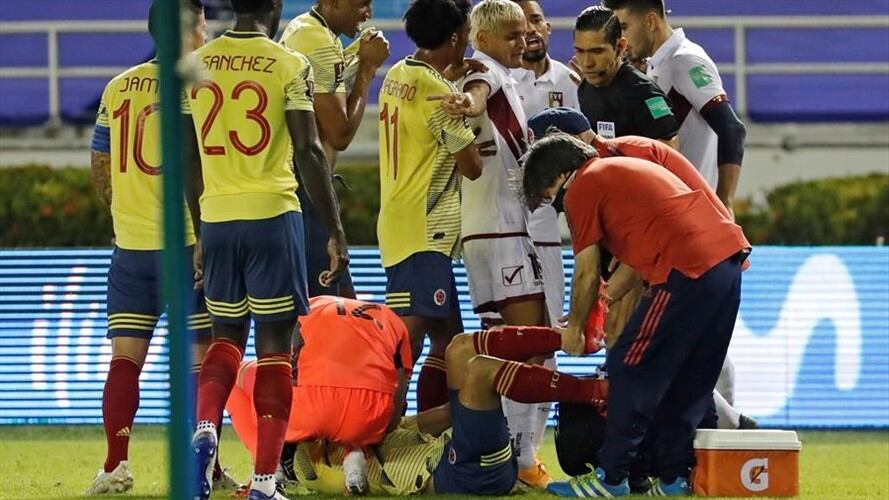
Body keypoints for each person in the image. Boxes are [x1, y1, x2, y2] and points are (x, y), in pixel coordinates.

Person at [182, 0, 349, 498]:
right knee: (275, 350)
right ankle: (262, 483)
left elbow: (188, 154)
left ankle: (206, 427)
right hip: (273, 215)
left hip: (217, 218)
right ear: (274, 6)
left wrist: (200, 226)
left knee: (224, 339)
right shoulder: (288, 62)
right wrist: (334, 228)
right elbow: (309, 150)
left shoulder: (195, 65)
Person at [521, 133, 750, 497]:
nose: (561, 209)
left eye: (553, 200)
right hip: (727, 262)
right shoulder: (623, 173)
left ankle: (611, 478)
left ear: (562, 176)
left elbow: (586, 270)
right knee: (689, 377)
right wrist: (597, 308)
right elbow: (633, 264)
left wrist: (575, 329)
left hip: (687, 267)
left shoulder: (583, 186)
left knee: (628, 366)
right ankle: (674, 478)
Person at [85, 1, 237, 494]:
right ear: (187, 30)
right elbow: (204, 165)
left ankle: (115, 466)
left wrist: (123, 212)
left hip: (131, 246)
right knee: (199, 362)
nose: (207, 35)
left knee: (125, 359)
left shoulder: (118, 87)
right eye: (204, 26)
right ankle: (209, 468)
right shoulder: (198, 85)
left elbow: (100, 163)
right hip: (188, 244)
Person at [228, 326, 609, 496]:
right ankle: (595, 392)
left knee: (460, 347)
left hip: (462, 454)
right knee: (480, 371)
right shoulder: (312, 463)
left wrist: (484, 401)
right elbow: (246, 378)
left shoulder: (365, 432)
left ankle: (571, 336)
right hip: (463, 474)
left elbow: (443, 415)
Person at [376, 0, 482, 414]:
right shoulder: (441, 96)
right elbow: (472, 167)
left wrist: (451, 79)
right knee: (407, 343)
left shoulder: (398, 74)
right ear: (455, 36)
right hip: (423, 229)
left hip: (401, 221)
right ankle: (378, 435)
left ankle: (434, 433)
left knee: (450, 341)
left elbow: (422, 107)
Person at [227, 296, 413, 495]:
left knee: (233, 375)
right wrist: (377, 431)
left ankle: (269, 468)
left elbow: (279, 369)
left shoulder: (302, 308)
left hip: (307, 409)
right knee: (354, 393)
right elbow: (397, 401)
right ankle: (356, 452)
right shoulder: (391, 318)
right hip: (368, 418)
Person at [279, 0, 390, 298]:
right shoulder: (317, 41)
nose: (368, 13)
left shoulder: (305, 27)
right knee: (328, 308)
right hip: (307, 188)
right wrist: (367, 68)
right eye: (362, 4)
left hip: (299, 185)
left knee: (333, 306)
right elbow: (340, 134)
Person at [603, 0, 746, 216]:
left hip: (692, 211)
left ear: (651, 21)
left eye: (624, 28)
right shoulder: (655, 65)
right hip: (668, 210)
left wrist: (724, 202)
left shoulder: (685, 60)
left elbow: (732, 128)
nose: (619, 39)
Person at [573, 6, 678, 146]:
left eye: (597, 51)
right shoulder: (585, 89)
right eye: (580, 51)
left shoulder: (647, 96)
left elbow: (670, 153)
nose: (587, 63)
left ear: (621, 47)